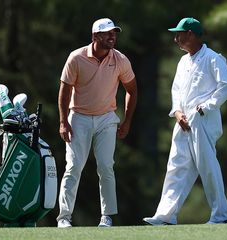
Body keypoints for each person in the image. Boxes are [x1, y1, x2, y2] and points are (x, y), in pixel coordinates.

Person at [143, 17, 227, 225]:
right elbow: (176, 90)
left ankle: (220, 215)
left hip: (203, 120)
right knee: (176, 166)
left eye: (179, 34)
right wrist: (177, 112)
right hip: (183, 120)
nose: (176, 38)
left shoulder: (212, 58)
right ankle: (166, 215)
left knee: (207, 166)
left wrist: (207, 106)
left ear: (191, 35)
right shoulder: (183, 60)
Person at [57, 18, 137, 228]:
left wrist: (127, 121)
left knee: (106, 166)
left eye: (114, 33)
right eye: (106, 33)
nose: (112, 36)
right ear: (95, 37)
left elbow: (132, 90)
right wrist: (63, 121)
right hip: (79, 117)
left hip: (106, 118)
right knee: (73, 167)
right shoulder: (76, 58)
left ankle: (107, 217)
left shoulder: (120, 59)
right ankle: (64, 217)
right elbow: (64, 91)